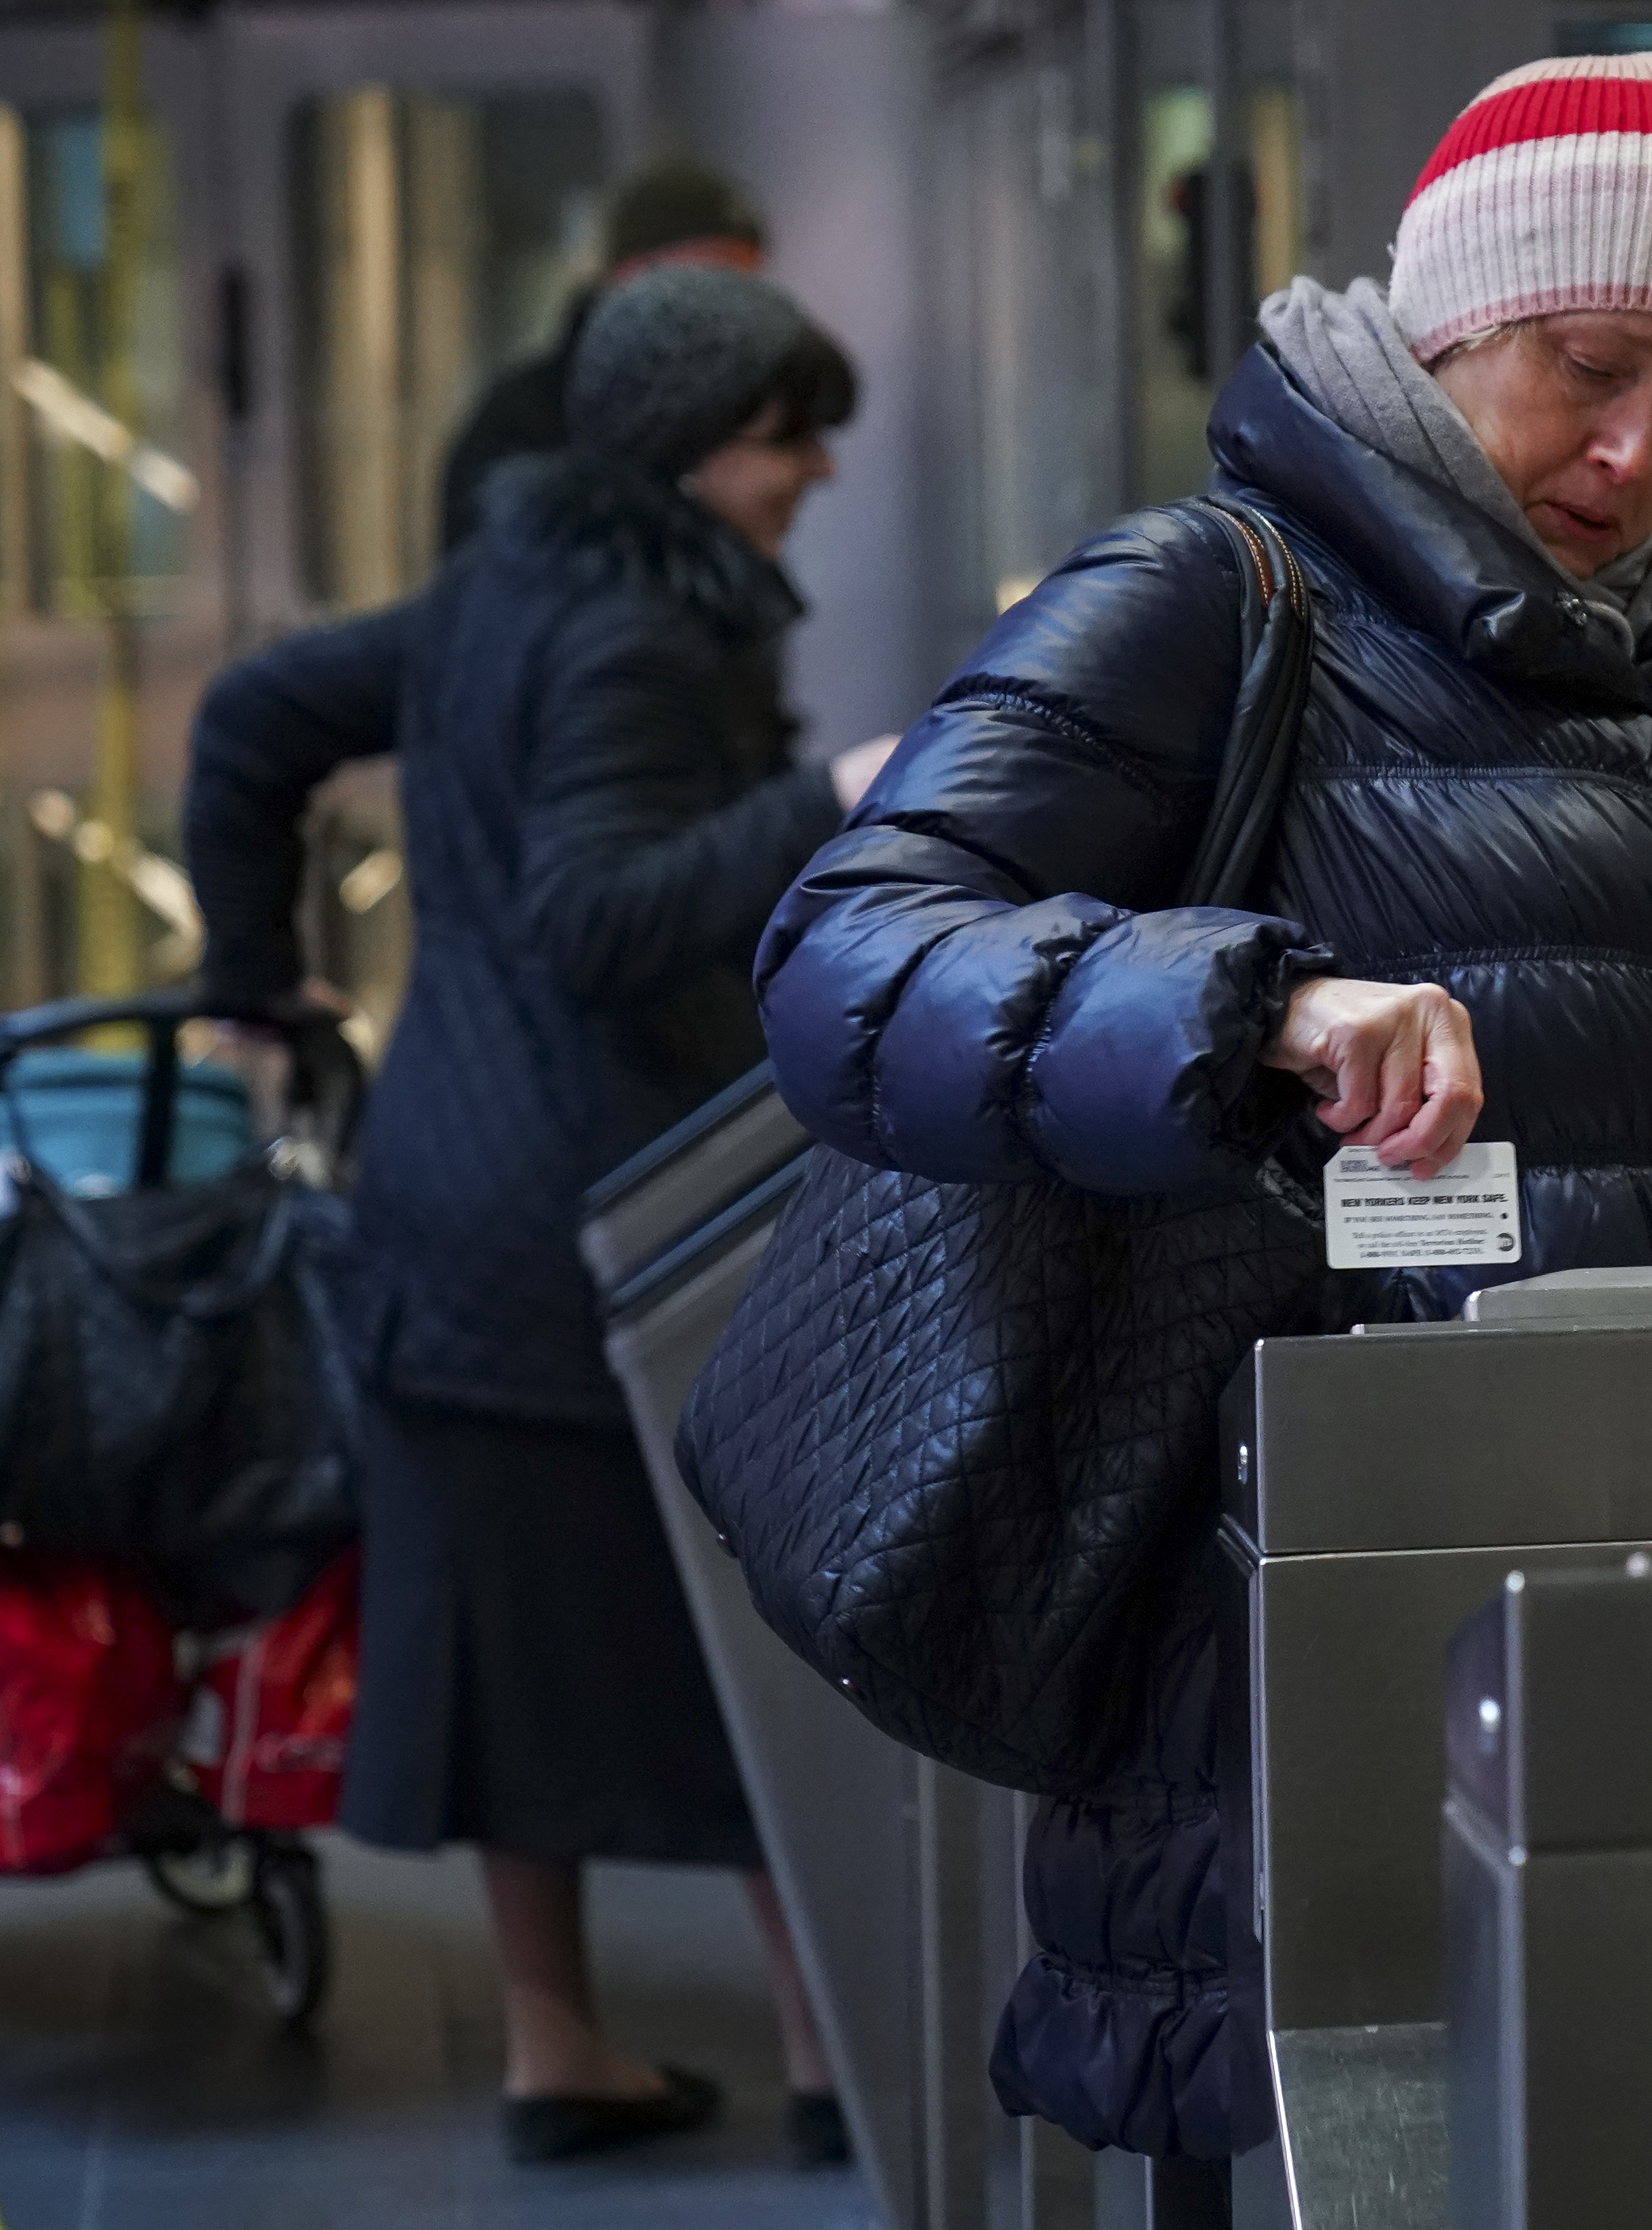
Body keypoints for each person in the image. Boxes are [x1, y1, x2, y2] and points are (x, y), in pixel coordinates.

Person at [752, 51, 1652, 2170]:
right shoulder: (1211, 599)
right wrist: (1247, 1003)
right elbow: (844, 959)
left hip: (1603, 1634)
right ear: (1455, 316)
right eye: (1586, 368)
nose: (1633, 451)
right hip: (1269, 1652)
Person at [185, 265, 896, 2168]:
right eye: (785, 436)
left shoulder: (493, 589)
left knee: (517, 1653)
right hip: (604, 1214)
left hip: (441, 1206)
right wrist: (833, 788)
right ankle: (840, 2046)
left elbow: (256, 712)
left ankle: (553, 2047)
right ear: (687, 450)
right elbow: (604, 915)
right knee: (752, 1624)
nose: (814, 472)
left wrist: (255, 975)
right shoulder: (643, 639)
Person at [437, 158, 769, 553]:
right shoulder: (526, 420)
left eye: (749, 286)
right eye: (715, 280)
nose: (738, 309)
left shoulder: (731, 413)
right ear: (632, 275)